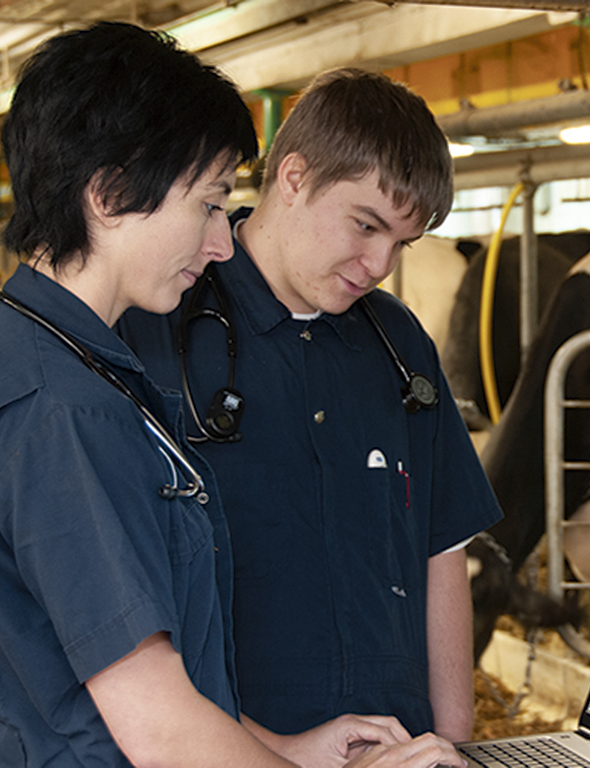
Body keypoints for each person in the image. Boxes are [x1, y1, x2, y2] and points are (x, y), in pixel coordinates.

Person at [0, 22, 464, 768]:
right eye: (211, 204)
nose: (221, 242)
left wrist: (287, 750)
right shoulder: (58, 405)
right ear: (112, 194)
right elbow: (161, 731)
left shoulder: (67, 360)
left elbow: (146, 689)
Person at [118, 68, 502, 741]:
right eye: (365, 225)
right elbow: (123, 603)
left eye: (401, 243)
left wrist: (455, 742)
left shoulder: (398, 341)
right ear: (293, 179)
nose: (380, 263)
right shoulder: (158, 327)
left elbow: (444, 552)